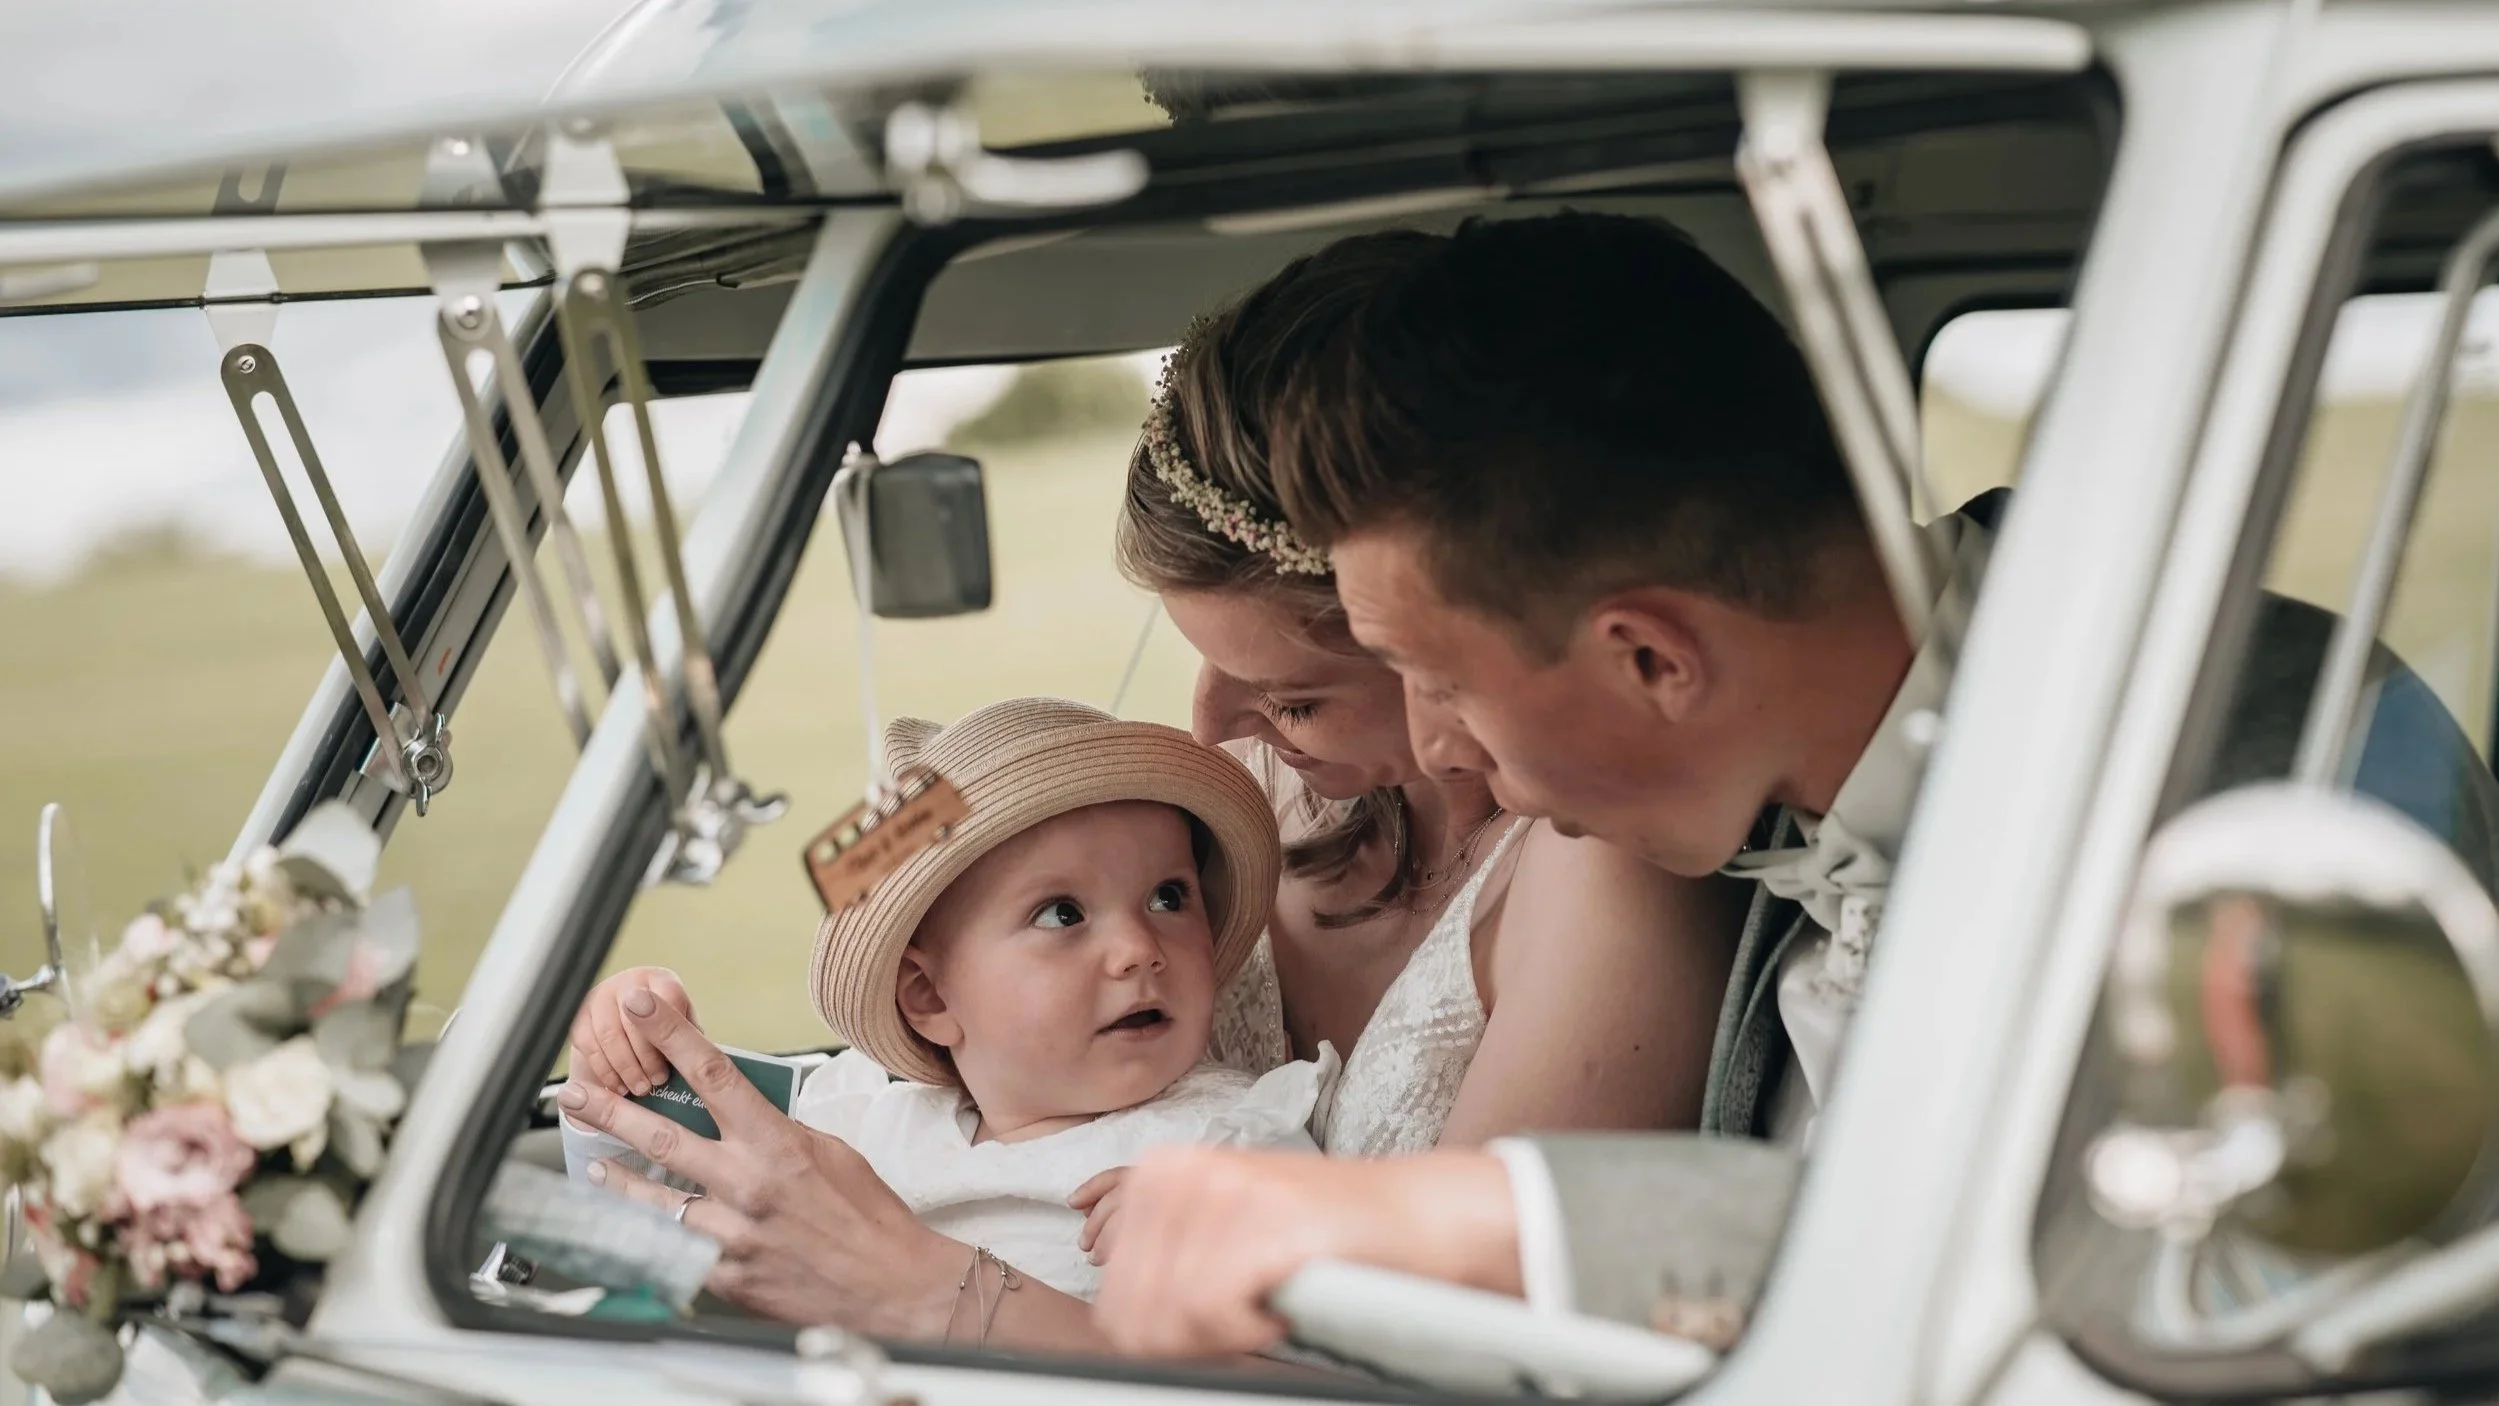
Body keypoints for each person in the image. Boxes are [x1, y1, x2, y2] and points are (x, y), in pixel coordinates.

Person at [1083, 210, 2499, 1357]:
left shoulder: (2273, 773)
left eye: (1441, 684)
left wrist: (1456, 1221)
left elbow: (2161, 1293)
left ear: (1649, 657)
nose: (1441, 754)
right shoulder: (1762, 779)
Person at [1119, 234, 1738, 1155]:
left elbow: (1463, 1290)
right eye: (1206, 667)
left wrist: (958, 1292)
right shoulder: (1252, 786)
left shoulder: (1607, 865)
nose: (1210, 730)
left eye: (1291, 701)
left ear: (1429, 641)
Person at [562, 699, 1329, 1334]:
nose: (1137, 948)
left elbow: (1321, 1359)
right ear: (929, 999)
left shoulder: (1229, 1147)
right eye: (1062, 914)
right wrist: (619, 1066)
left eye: (1169, 896)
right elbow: (637, 1215)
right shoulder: (861, 1111)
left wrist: (1228, 1241)